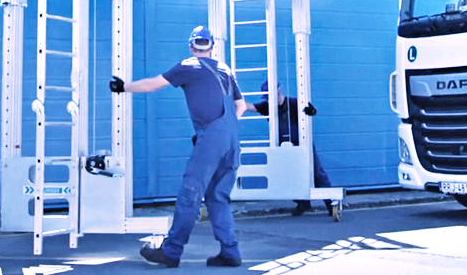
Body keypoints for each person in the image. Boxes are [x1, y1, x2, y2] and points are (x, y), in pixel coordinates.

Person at [109, 26, 246, 268]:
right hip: (232, 138)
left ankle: (171, 252)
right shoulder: (225, 69)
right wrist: (224, 130)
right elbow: (241, 106)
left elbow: (152, 85)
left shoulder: (188, 65)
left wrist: (123, 87)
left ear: (191, 46)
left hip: (212, 137)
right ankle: (230, 251)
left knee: (190, 193)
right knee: (218, 196)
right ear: (212, 47)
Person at [246, 81, 333, 216]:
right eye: (267, 98)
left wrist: (310, 111)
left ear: (278, 93)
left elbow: (312, 111)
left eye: (270, 96)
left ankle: (331, 204)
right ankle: (303, 203)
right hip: (284, 148)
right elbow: (250, 107)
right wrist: (234, 98)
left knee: (316, 173)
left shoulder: (294, 103)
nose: (268, 100)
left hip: (303, 144)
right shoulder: (268, 106)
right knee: (290, 175)